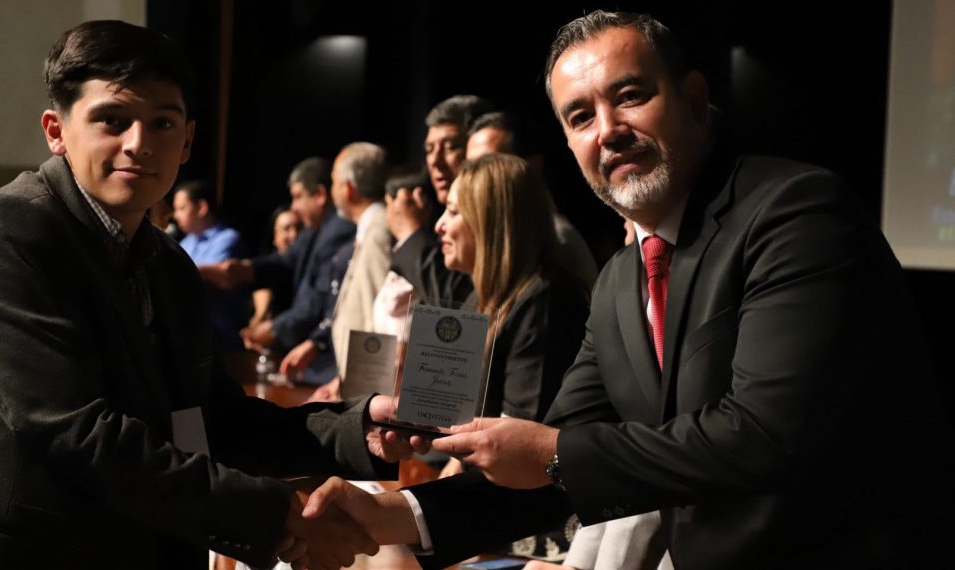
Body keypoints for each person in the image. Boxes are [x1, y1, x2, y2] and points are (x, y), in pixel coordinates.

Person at [298, 10, 955, 569]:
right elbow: (553, 463)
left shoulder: (796, 213)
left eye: (631, 95)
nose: (607, 129)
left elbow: (763, 437)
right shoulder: (620, 279)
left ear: (693, 98)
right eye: (580, 116)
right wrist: (399, 513)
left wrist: (553, 452)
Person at [0, 20, 425, 569]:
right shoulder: (5, 231)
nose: (139, 144)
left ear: (186, 141)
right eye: (112, 120)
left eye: (162, 122)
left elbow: (213, 420)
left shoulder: (169, 264)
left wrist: (357, 429)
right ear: (56, 131)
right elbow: (78, 434)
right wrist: (278, 515)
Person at [433, 153, 588, 482]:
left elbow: (517, 450)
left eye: (454, 211)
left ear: (490, 221)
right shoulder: (477, 299)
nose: (439, 225)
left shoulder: (546, 300)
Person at [202, 158, 356, 368]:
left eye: (298, 197)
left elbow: (316, 301)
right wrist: (241, 270)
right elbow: (283, 263)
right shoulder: (314, 231)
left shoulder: (337, 231)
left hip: (324, 362)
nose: (294, 207)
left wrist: (275, 329)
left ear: (320, 194)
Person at [280, 142, 392, 388]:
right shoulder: (369, 228)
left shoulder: (378, 232)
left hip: (367, 386)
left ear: (348, 189)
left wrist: (358, 389)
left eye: (333, 182)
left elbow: (379, 318)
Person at [464, 110, 600, 300]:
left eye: (489, 166)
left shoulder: (554, 243)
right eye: (470, 167)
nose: (471, 179)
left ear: (532, 166)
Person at [388, 95, 493, 307]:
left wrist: (409, 233)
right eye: (429, 150)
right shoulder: (429, 212)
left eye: (450, 147)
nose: (435, 161)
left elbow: (456, 308)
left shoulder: (503, 225)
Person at [172, 180, 250, 352]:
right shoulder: (186, 242)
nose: (175, 216)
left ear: (202, 208)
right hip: (188, 335)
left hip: (219, 339)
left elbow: (207, 280)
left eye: (181, 208)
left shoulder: (228, 238)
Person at [250, 206, 301, 328]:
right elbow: (262, 314)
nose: (294, 235)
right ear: (275, 236)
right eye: (286, 229)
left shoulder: (312, 264)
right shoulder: (269, 268)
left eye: (299, 228)